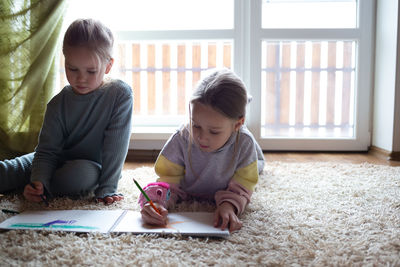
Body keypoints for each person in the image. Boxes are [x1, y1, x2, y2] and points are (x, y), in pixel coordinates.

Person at [0, 19, 133, 205]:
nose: (81, 78)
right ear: (65, 61)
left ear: (108, 66)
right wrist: (39, 181)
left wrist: (108, 188)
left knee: (80, 176)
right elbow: (47, 152)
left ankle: (30, 185)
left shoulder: (120, 95)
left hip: (90, 167)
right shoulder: (57, 104)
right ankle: (33, 185)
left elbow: (115, 148)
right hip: (53, 159)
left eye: (91, 71)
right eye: (72, 69)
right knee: (8, 170)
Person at [138, 68, 264, 232]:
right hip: (189, 187)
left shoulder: (244, 142)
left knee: (257, 166)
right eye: (196, 125)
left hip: (239, 164)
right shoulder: (181, 138)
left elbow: (243, 185)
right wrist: (155, 202)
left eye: (214, 131)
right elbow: (168, 180)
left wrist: (228, 206)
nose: (201, 137)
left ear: (238, 124)